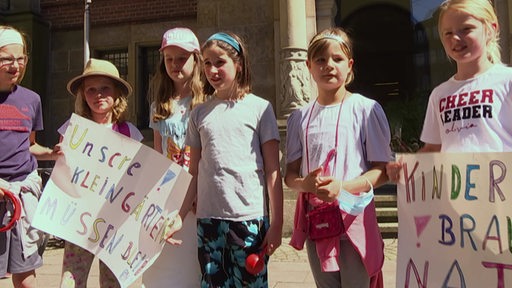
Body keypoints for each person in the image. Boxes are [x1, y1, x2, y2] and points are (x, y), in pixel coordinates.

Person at [166, 31, 284, 288]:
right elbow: (194, 171)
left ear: (238, 64)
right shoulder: (199, 114)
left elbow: (273, 171)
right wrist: (180, 214)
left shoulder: (260, 109)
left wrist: (277, 224)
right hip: (209, 221)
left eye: (220, 62)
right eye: (207, 63)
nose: (212, 69)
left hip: (248, 219)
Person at [284, 27, 392, 288]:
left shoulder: (366, 110)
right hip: (317, 224)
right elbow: (290, 175)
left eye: (337, 59)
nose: (328, 65)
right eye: (320, 60)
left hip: (354, 221)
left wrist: (342, 187)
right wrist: (304, 185)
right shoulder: (299, 118)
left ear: (350, 64)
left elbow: (382, 170)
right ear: (308, 66)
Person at [387, 0, 508, 181]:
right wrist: (404, 167)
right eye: (448, 33)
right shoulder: (439, 94)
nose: (455, 38)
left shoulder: (507, 81)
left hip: (501, 196)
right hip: (454, 198)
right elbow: (432, 149)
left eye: (466, 29)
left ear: (491, 29)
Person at [58, 58, 143, 288]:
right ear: (83, 96)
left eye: (105, 88)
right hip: (79, 219)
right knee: (71, 280)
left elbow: (139, 177)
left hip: (114, 223)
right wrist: (62, 157)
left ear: (117, 93)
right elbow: (63, 176)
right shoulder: (71, 129)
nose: (98, 95)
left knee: (112, 283)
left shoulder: (129, 132)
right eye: (91, 90)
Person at [141, 27, 204, 288]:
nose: (175, 64)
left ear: (196, 60)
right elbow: (159, 152)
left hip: (199, 193)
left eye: (182, 58)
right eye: (169, 59)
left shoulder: (205, 102)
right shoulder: (160, 104)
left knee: (193, 263)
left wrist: (200, 189)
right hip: (169, 193)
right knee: (165, 265)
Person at [0, 25, 55, 288]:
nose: (15, 65)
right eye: (7, 59)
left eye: (20, 58)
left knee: (25, 278)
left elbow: (29, 145)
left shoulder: (31, 100)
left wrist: (52, 153)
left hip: (22, 197)